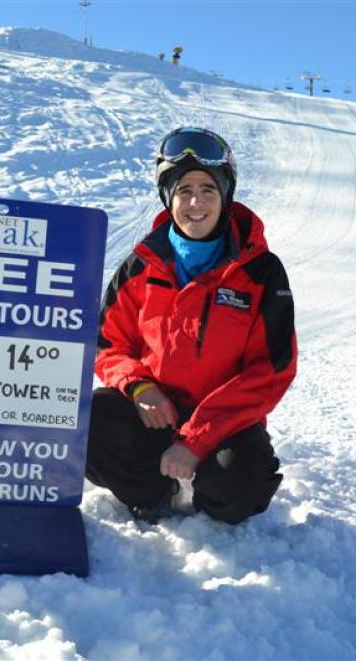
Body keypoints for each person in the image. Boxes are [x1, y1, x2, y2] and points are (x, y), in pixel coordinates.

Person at [86, 127, 297, 525]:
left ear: (225, 195)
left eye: (208, 190)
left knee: (240, 487)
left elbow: (270, 370)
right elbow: (106, 344)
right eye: (184, 190)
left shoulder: (260, 271)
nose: (195, 202)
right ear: (168, 197)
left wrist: (197, 440)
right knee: (87, 423)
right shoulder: (141, 265)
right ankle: (153, 491)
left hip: (223, 421)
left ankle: (207, 492)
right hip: (155, 411)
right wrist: (140, 386)